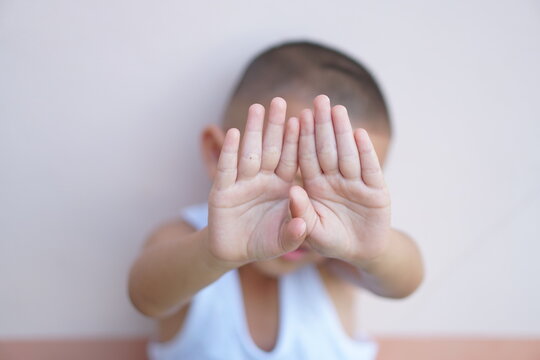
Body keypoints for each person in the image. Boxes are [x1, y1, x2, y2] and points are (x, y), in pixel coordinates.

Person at [128, 41, 424, 359]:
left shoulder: (336, 265)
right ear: (218, 153)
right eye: (284, 178)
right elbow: (145, 297)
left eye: (338, 196)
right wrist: (213, 254)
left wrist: (371, 248)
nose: (303, 217)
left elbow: (406, 280)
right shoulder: (189, 242)